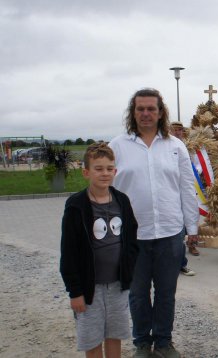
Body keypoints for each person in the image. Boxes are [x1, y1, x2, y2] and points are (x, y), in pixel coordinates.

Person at [109, 88, 199, 358]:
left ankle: (163, 342)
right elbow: (108, 190)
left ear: (161, 113)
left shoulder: (175, 146)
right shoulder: (118, 146)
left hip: (170, 232)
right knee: (137, 294)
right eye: (140, 109)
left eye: (151, 108)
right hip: (132, 235)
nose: (146, 113)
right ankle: (141, 343)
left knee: (165, 293)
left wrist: (192, 227)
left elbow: (186, 187)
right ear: (133, 113)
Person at [60, 142, 139, 358]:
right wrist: (75, 291)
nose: (105, 173)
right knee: (92, 338)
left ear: (115, 171)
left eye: (109, 168)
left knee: (114, 334)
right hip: (89, 289)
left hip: (117, 285)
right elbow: (69, 253)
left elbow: (131, 239)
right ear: (86, 172)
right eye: (98, 168)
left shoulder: (122, 200)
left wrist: (129, 271)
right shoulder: (76, 206)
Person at [169, 121, 198, 277]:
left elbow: (198, 165)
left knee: (182, 232)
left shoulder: (189, 146)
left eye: (181, 130)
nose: (179, 132)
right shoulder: (166, 145)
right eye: (176, 130)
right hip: (171, 197)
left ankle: (183, 263)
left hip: (190, 188)